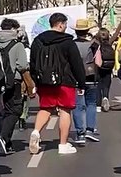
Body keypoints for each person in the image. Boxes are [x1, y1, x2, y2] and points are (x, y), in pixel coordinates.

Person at [28, 13, 85, 156]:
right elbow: (76, 63)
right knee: (65, 111)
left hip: (44, 81)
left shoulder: (38, 41)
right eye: (65, 24)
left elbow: (33, 63)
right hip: (65, 81)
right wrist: (81, 83)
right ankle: (63, 144)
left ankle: (36, 132)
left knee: (45, 108)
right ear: (60, 24)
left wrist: (36, 80)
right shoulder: (67, 42)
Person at [0, 18, 30, 153]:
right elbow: (22, 66)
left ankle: (5, 142)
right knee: (15, 110)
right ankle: (3, 138)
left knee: (0, 111)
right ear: (14, 29)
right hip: (13, 82)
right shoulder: (17, 45)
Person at [71, 18, 100, 147]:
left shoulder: (71, 45)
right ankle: (90, 129)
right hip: (91, 77)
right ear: (87, 30)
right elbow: (99, 63)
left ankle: (80, 133)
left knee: (78, 105)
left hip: (76, 78)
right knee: (91, 104)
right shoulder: (94, 45)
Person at [95, 28, 116, 111]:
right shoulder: (109, 43)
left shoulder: (96, 44)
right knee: (106, 83)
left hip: (99, 66)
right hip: (108, 66)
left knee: (98, 85)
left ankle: (98, 105)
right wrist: (120, 25)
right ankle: (105, 97)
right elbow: (115, 35)